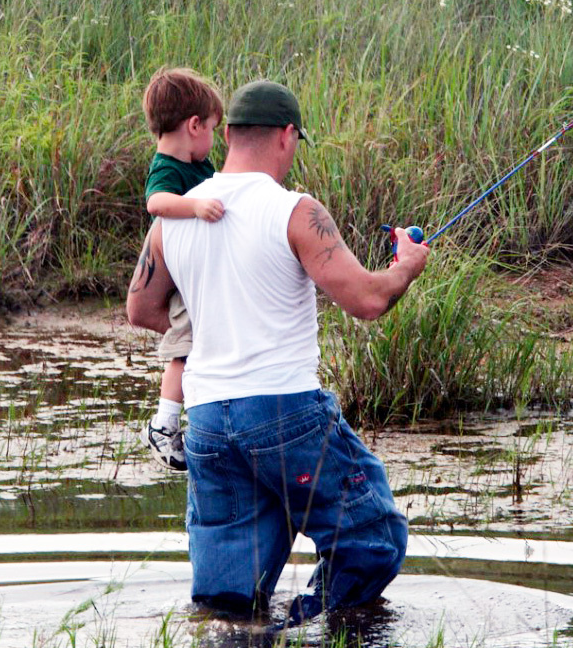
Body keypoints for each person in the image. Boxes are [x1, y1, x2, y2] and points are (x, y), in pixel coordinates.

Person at [126, 79, 430, 623]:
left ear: (231, 136)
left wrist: (213, 312)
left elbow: (141, 310)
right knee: (372, 536)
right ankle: (305, 623)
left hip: (210, 424)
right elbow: (365, 299)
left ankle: (245, 633)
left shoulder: (177, 215)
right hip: (285, 415)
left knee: (227, 594)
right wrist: (406, 264)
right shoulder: (295, 210)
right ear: (287, 136)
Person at [139, 67, 225, 472]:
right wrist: (193, 206)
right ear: (194, 125)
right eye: (211, 128)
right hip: (182, 284)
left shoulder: (200, 168)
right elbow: (156, 204)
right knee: (185, 350)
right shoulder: (167, 168)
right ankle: (164, 422)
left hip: (200, 277)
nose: (213, 140)